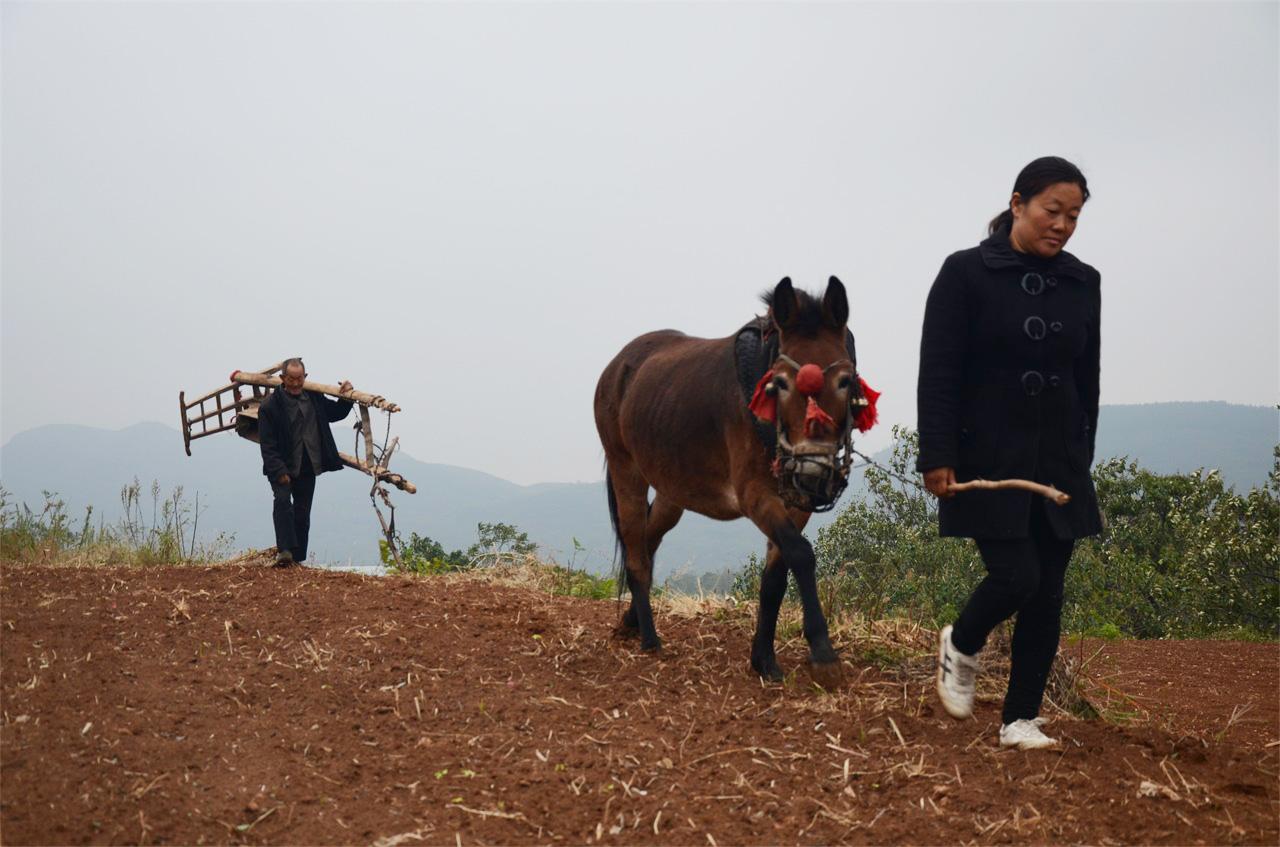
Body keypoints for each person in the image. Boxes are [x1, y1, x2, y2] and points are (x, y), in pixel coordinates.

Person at [916, 156, 1103, 750]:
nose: (1063, 225)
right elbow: (939, 371)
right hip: (985, 459)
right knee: (1016, 574)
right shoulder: (964, 273)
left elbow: (1087, 379)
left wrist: (1081, 452)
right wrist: (937, 453)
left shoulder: (1084, 281)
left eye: (1073, 216)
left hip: (1059, 463)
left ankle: (1020, 719)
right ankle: (963, 643)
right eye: (1053, 210)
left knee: (1048, 591)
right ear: (1018, 202)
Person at [257, 358, 355, 567]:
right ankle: (284, 552)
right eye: (290, 379)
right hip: (282, 466)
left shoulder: (314, 397)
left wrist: (347, 397)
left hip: (308, 463)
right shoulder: (270, 407)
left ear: (305, 378)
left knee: (302, 512)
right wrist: (279, 470)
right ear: (282, 378)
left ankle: (298, 557)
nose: (295, 383)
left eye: (299, 379)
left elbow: (335, 413)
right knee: (283, 504)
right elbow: (268, 445)